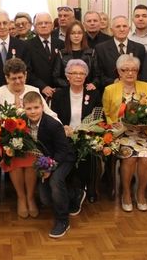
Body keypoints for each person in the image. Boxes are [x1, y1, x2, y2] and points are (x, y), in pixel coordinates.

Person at [0, 58, 58, 219]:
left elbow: (49, 114)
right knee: (14, 156)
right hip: (8, 140)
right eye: (13, 78)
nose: (18, 81)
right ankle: (21, 197)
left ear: (25, 75)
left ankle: (30, 197)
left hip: (34, 139)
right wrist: (3, 137)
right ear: (6, 78)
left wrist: (61, 127)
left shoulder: (34, 90)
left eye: (20, 77)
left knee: (31, 155)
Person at [103, 54, 147, 212]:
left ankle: (140, 193)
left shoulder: (146, 87)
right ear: (118, 72)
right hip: (120, 133)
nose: (130, 73)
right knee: (130, 158)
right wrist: (113, 124)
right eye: (125, 70)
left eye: (134, 70)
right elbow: (106, 112)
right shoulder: (110, 89)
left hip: (143, 133)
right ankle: (126, 193)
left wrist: (146, 123)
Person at [23, 91, 79, 239]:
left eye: (36, 107)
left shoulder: (53, 124)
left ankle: (62, 220)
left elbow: (63, 150)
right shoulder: (22, 122)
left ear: (43, 106)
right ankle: (74, 194)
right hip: (45, 159)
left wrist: (49, 167)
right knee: (46, 199)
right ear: (24, 109)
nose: (33, 111)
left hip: (63, 157)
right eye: (29, 108)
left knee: (55, 181)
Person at [52, 59, 102, 202]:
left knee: (90, 152)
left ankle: (89, 189)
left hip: (86, 134)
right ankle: (72, 189)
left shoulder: (94, 94)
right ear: (67, 76)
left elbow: (99, 117)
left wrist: (87, 131)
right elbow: (54, 118)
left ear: (86, 76)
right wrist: (63, 129)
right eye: (74, 73)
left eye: (82, 73)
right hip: (65, 135)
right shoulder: (59, 95)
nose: (78, 76)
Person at [96, 16, 145, 89]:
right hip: (110, 90)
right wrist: (114, 82)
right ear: (111, 30)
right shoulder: (101, 48)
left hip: (134, 90)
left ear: (129, 29)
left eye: (124, 26)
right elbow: (98, 74)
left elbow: (143, 72)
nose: (122, 29)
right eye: (118, 26)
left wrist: (131, 81)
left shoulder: (139, 48)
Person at [26, 12, 63, 99]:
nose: (43, 25)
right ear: (35, 27)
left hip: (59, 91)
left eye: (46, 23)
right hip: (37, 92)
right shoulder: (27, 46)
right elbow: (27, 71)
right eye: (40, 23)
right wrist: (42, 86)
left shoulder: (60, 44)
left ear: (52, 25)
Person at [53, 21, 99, 90]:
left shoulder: (92, 53)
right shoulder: (61, 54)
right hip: (67, 90)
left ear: (83, 35)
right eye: (73, 33)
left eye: (79, 33)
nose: (76, 36)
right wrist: (73, 84)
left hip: (87, 90)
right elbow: (56, 77)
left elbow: (97, 76)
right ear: (68, 35)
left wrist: (93, 84)